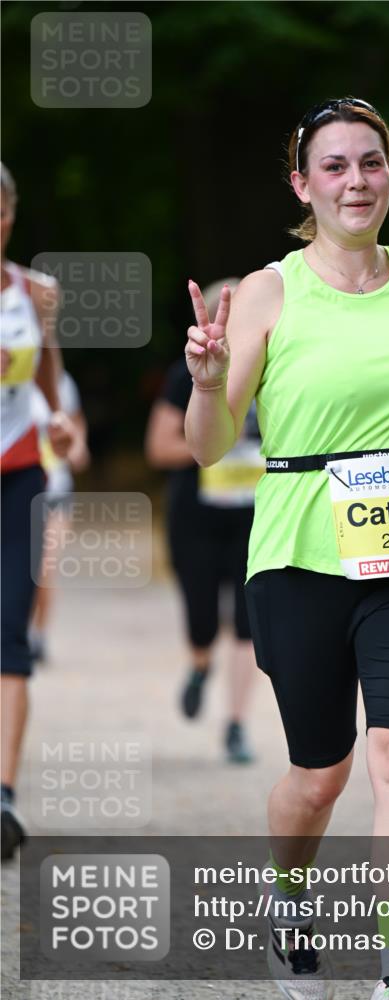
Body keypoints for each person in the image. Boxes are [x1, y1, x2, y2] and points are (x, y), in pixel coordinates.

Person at [184, 99, 389, 1000]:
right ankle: (290, 904)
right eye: (334, 166)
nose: (354, 181)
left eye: (370, 163)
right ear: (302, 184)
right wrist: (209, 384)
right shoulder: (268, 292)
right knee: (317, 777)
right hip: (298, 555)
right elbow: (209, 444)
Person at [145, 279, 261, 763]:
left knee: (249, 623)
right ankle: (198, 665)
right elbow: (159, 448)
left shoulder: (269, 371)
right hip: (195, 517)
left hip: (255, 516)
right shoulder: (183, 375)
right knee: (203, 620)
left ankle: (236, 724)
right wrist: (212, 443)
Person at [1, 163, 74, 859]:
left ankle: (3, 799)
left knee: (11, 633)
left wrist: (58, 420)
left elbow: (47, 368)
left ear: (10, 215)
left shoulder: (34, 292)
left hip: (19, 477)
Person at [29, 368, 90, 664]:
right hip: (14, 491)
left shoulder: (63, 382)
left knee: (44, 567)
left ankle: (38, 636)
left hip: (55, 491)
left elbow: (76, 422)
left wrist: (77, 446)